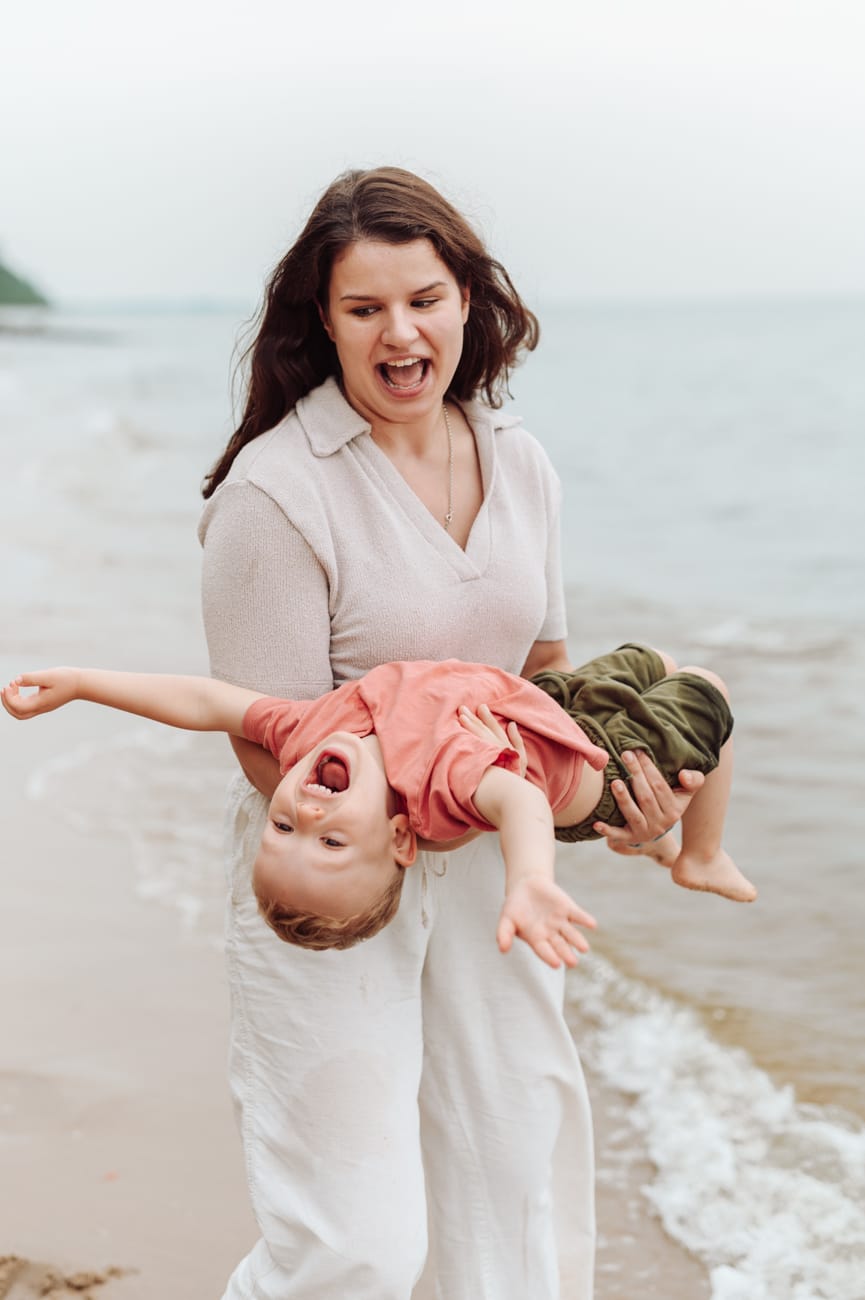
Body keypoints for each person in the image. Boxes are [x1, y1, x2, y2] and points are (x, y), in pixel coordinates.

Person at [193, 165, 705, 1300]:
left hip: (491, 874)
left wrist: (616, 806)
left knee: (511, 1204)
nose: (398, 332)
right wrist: (452, 786)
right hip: (331, 874)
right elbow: (268, 750)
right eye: (363, 307)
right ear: (320, 325)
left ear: (468, 301)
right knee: (352, 1245)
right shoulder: (276, 493)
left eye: (422, 298)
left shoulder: (517, 460)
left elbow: (544, 673)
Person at [1, 645, 752, 962]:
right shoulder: (437, 777)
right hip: (604, 770)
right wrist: (528, 880)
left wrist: (83, 683)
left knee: (652, 658)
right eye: (329, 843)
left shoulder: (307, 737)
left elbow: (204, 700)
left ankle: (652, 843)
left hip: (543, 708)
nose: (309, 814)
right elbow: (520, 798)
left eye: (284, 827)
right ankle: (698, 855)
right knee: (706, 688)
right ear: (401, 838)